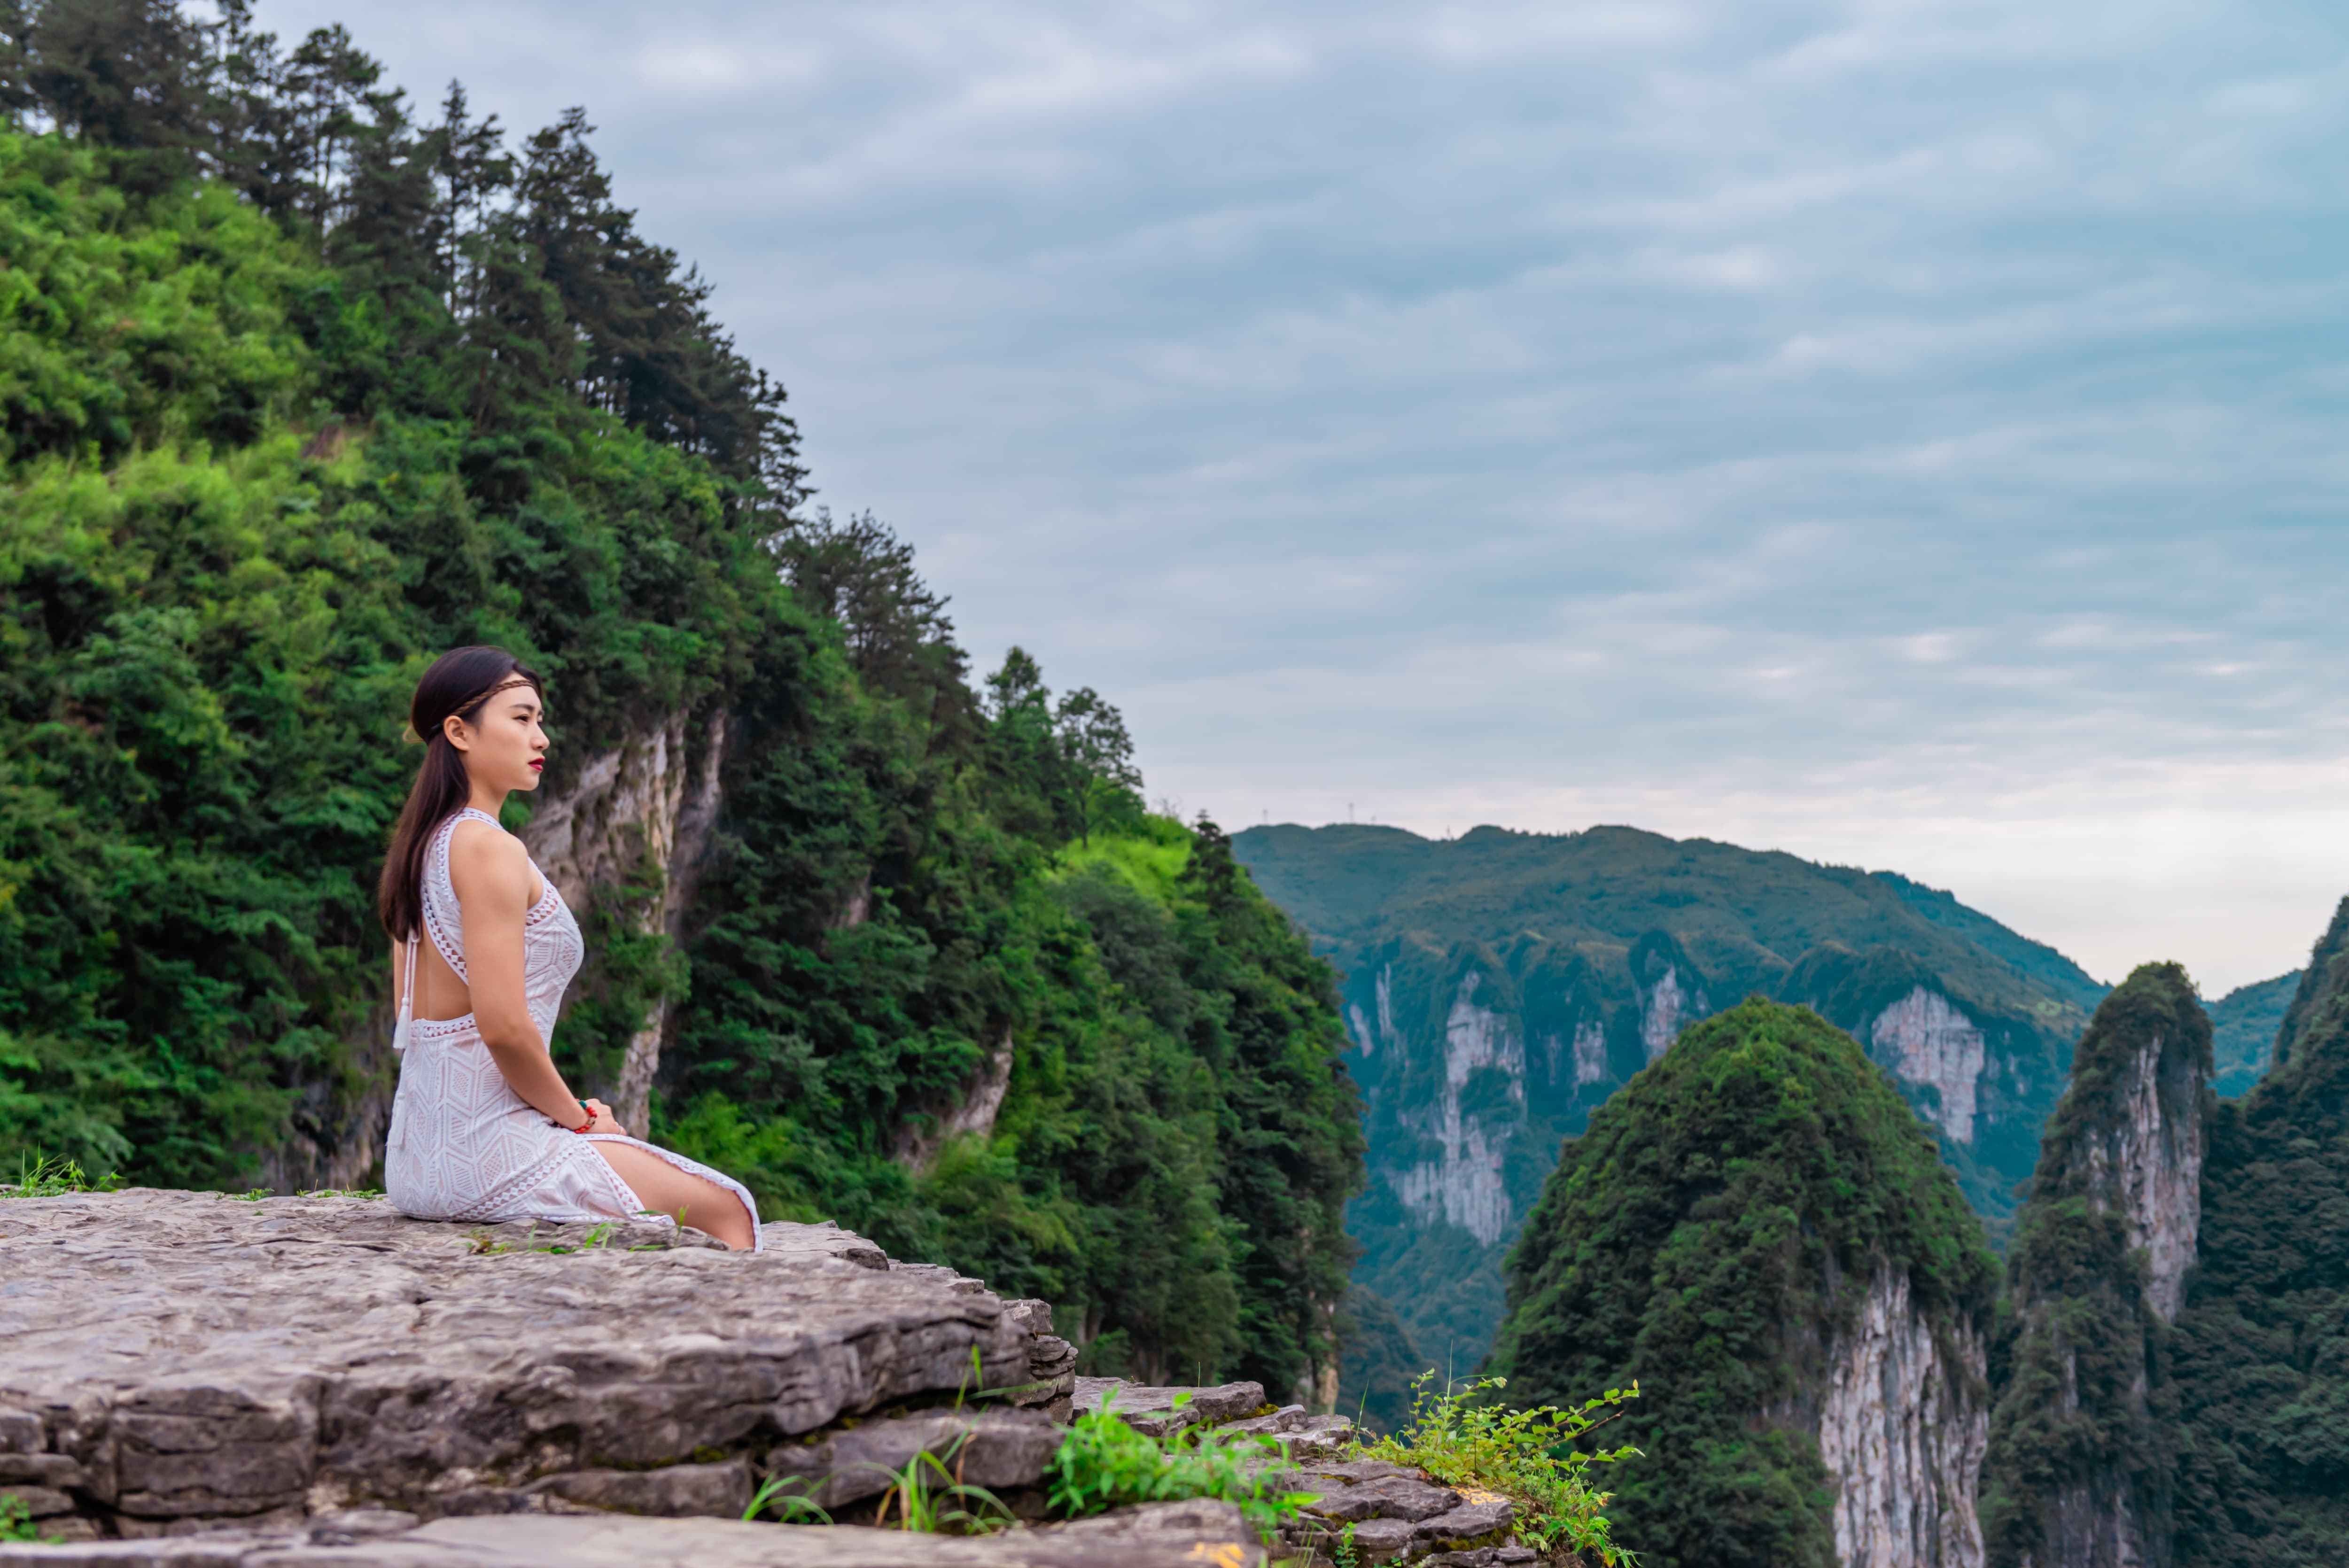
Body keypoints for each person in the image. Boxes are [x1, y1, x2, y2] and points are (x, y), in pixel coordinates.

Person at [377, 645, 761, 1251]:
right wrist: (580, 1120)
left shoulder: (418, 848)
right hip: (486, 1159)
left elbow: (415, 1017)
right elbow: (503, 1027)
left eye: (540, 719)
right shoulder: (487, 848)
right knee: (732, 1212)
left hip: (415, 1164)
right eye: (522, 718)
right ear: (459, 732)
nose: (543, 737)